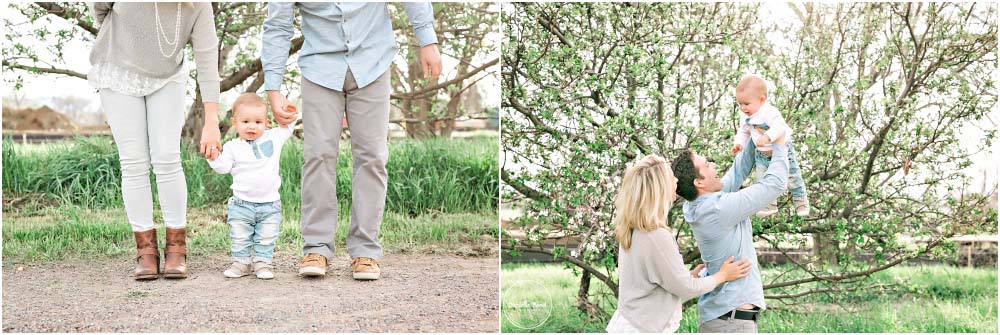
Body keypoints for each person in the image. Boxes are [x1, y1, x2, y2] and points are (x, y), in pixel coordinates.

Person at [261, 2, 442, 280]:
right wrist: (273, 88)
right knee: (318, 155)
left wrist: (427, 39)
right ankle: (317, 247)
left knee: (372, 156)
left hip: (373, 61)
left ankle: (365, 251)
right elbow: (278, 26)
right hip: (319, 67)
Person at [88, 2, 221, 280]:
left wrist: (211, 122)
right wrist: (123, 43)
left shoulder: (199, 5)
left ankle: (176, 251)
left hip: (168, 78)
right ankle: (146, 252)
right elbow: (100, 11)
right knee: (134, 162)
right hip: (118, 71)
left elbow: (208, 60)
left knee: (167, 157)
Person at [607, 155, 751, 333]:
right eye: (670, 177)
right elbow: (686, 289)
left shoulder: (634, 229)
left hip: (629, 324)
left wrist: (687, 275)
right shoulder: (656, 236)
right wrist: (722, 276)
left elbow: (651, 281)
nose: (676, 179)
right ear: (659, 188)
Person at [672, 138, 790, 333]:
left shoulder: (696, 205)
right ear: (699, 182)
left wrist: (756, 135)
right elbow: (775, 184)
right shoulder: (718, 209)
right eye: (707, 164)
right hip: (732, 324)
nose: (713, 166)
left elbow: (737, 172)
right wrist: (779, 141)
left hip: (723, 320)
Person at [207, 93, 298, 280]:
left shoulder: (274, 138)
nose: (251, 126)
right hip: (241, 204)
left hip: (270, 204)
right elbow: (223, 168)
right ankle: (241, 263)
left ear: (266, 122)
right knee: (240, 237)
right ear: (235, 122)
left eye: (258, 122)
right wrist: (214, 158)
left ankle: (263, 263)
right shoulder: (232, 147)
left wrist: (289, 111)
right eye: (246, 121)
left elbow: (288, 126)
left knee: (266, 237)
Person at [730, 74, 809, 217]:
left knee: (793, 177)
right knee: (762, 180)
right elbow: (743, 131)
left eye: (746, 104)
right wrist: (738, 144)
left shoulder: (768, 112)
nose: (742, 108)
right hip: (762, 155)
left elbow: (780, 127)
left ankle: (800, 201)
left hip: (783, 150)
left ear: (761, 100)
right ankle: (769, 205)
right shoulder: (745, 116)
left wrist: (767, 136)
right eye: (739, 104)